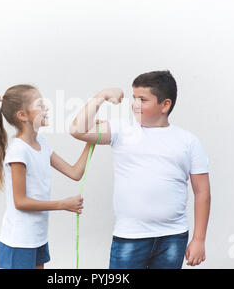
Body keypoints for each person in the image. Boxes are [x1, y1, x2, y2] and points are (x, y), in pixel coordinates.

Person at [70, 71, 211, 269]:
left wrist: (199, 239)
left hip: (173, 237)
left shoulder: (188, 141)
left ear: (165, 105)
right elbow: (77, 130)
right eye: (134, 98)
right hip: (130, 237)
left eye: (142, 99)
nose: (135, 104)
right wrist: (101, 96)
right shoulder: (122, 130)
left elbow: (202, 192)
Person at [0, 84, 95, 269]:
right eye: (40, 105)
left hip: (37, 237)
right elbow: (20, 202)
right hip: (18, 242)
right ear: (22, 115)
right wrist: (62, 204)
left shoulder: (42, 144)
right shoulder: (18, 151)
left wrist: (91, 141)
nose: (46, 108)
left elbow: (75, 173)